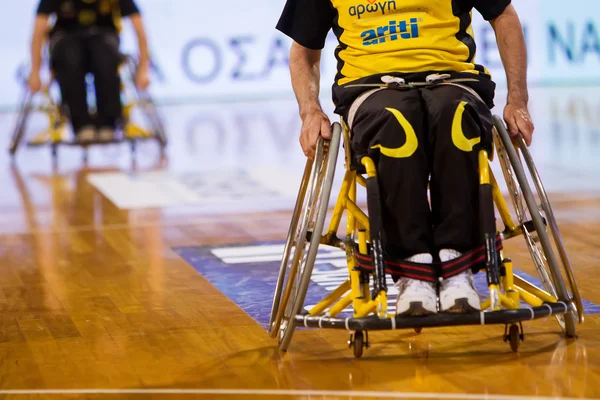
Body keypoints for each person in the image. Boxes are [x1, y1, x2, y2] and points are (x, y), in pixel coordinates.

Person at [276, 0, 535, 316]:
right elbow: (303, 51)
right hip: (370, 87)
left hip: (452, 79)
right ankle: (413, 268)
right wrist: (310, 111)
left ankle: (457, 266)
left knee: (455, 116)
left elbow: (503, 14)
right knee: (397, 121)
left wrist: (518, 99)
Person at [28, 0, 151, 143]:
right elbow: (38, 33)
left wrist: (143, 69)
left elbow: (140, 32)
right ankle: (81, 125)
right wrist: (35, 72)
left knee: (104, 55)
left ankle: (108, 123)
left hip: (103, 38)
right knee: (70, 56)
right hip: (66, 39)